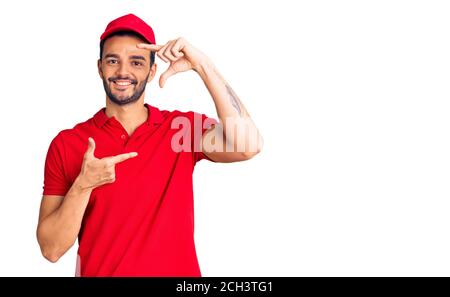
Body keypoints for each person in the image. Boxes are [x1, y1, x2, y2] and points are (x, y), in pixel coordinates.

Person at [36, 13, 263, 277]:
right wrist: (83, 185)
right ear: (100, 68)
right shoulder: (69, 143)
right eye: (113, 61)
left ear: (152, 71)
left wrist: (203, 66)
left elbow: (249, 145)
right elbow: (51, 249)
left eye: (136, 62)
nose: (123, 72)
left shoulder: (180, 130)